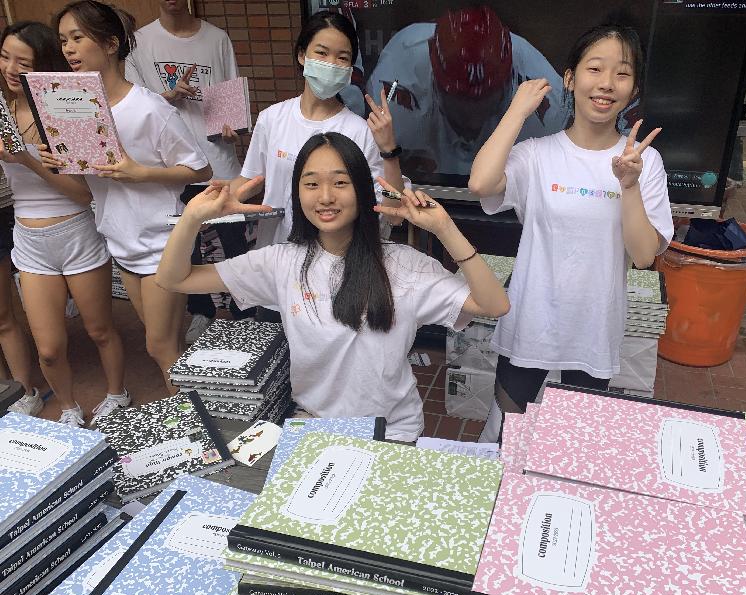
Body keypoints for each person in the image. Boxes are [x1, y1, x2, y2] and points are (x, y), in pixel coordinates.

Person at [156, 132, 510, 442]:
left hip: (393, 432)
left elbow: (494, 306)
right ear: (297, 193)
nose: (325, 196)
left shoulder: (405, 265)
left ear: (362, 189)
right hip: (315, 427)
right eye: (311, 184)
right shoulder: (281, 262)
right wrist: (192, 218)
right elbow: (174, 279)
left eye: (340, 182)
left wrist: (445, 229)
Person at [468, 24, 674, 442]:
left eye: (622, 73)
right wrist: (516, 112)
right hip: (531, 321)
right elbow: (480, 184)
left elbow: (643, 256)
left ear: (634, 89)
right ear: (570, 78)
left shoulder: (644, 162)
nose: (607, 83)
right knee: (507, 436)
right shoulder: (537, 155)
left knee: (576, 444)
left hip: (594, 326)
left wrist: (629, 185)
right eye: (595, 69)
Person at [44, 0, 212, 399]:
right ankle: (197, 408)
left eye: (78, 38)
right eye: (63, 40)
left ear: (110, 44)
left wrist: (143, 172)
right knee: (165, 345)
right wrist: (59, 163)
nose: (68, 49)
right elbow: (91, 186)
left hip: (161, 243)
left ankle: (191, 424)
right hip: (121, 240)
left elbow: (200, 170)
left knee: (160, 346)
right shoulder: (76, 110)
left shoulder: (150, 107)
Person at [0, 20, 126, 424]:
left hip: (76, 232)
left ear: (43, 66)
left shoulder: (65, 111)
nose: (10, 69)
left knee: (100, 330)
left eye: (23, 63)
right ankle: (68, 407)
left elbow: (84, 193)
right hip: (29, 239)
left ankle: (117, 393)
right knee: (49, 349)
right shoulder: (2, 112)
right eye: (4, 57)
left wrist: (26, 160)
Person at [224, 10, 407, 256]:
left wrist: (389, 151)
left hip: (336, 260)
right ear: (302, 55)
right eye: (321, 53)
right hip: (275, 256)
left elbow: (392, 212)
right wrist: (213, 203)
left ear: (350, 68)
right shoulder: (272, 118)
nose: (331, 63)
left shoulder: (361, 132)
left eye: (342, 57)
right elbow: (250, 181)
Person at [124, 0, 255, 343]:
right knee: (188, 245)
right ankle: (201, 311)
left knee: (234, 240)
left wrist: (234, 129)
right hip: (173, 167)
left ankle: (245, 310)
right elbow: (132, 105)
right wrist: (168, 96)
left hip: (220, 161)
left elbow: (231, 103)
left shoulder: (216, 38)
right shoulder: (139, 42)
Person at [365, 5, 571, 177]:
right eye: (460, 101)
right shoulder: (399, 82)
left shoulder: (546, 108)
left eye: (486, 100)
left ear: (508, 79)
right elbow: (379, 172)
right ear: (434, 78)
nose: (472, 118)